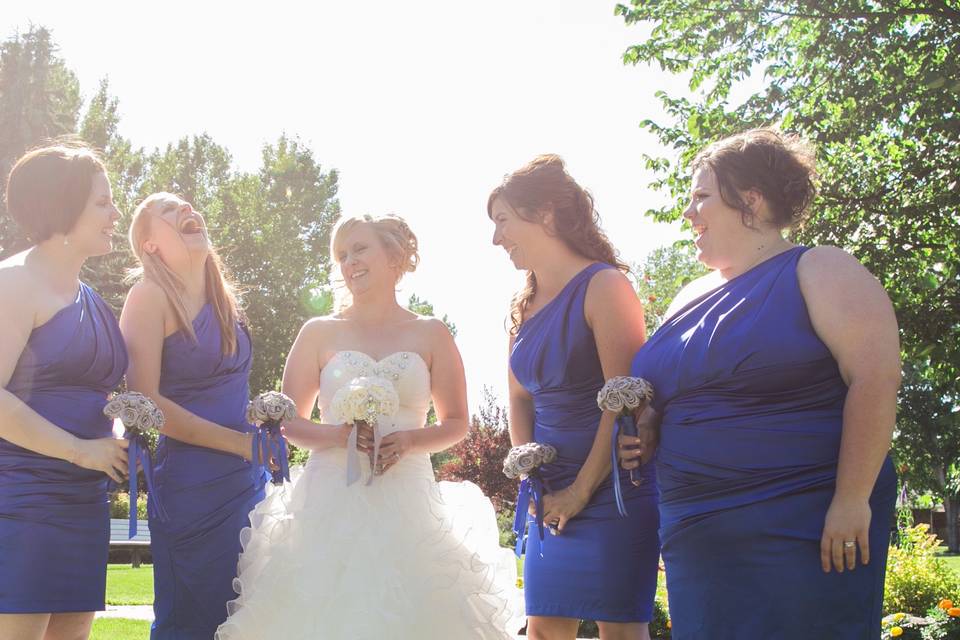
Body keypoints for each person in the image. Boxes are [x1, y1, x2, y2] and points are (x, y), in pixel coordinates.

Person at [621, 128, 900, 639]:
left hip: (803, 518)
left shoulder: (820, 269)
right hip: (698, 530)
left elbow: (876, 378)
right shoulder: (688, 295)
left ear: (750, 201)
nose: (689, 215)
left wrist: (851, 497)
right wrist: (654, 418)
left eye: (701, 197)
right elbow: (673, 385)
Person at [215, 213, 523, 639]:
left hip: (409, 502)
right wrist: (340, 435)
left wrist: (412, 439)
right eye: (341, 255)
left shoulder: (432, 334)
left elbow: (457, 423)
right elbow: (289, 422)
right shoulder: (318, 332)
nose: (349, 262)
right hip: (328, 503)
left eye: (359, 249)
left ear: (394, 255)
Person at [490, 154, 660, 640]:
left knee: (621, 633)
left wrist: (580, 491)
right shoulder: (521, 308)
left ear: (544, 214)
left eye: (503, 221)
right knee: (541, 630)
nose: (496, 238)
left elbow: (623, 399)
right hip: (548, 492)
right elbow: (519, 400)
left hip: (613, 488)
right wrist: (532, 476)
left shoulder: (604, 286)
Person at [121, 192, 268, 639]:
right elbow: (145, 401)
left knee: (250, 617)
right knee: (191, 619)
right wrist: (242, 445)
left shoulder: (226, 301)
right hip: (192, 488)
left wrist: (263, 427)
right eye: (169, 210)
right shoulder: (148, 297)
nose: (185, 209)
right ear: (150, 245)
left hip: (247, 482)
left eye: (186, 204)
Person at [0, 144, 128, 640]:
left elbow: (97, 395)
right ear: (62, 205)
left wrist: (117, 441)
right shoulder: (13, 283)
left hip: (83, 498)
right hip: (22, 497)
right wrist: (81, 452)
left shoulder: (90, 297)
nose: (115, 214)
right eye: (103, 203)